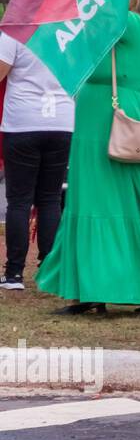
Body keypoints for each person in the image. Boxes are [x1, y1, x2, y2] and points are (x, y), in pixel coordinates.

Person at [37, 0, 140, 315]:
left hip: (110, 120)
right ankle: (93, 290)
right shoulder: (136, 26)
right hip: (102, 120)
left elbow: (87, 14)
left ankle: (125, 290)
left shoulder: (129, 24)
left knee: (109, 204)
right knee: (96, 202)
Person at [0, 32, 74, 290]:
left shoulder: (16, 32)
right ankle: (49, 268)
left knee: (19, 201)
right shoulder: (70, 29)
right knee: (50, 199)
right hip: (62, 121)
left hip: (22, 123)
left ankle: (14, 274)